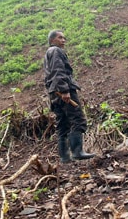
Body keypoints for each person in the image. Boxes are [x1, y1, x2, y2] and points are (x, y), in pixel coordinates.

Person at [44, 30, 95, 163]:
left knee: (62, 123)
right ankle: (78, 152)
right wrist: (65, 90)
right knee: (77, 118)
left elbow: (50, 75)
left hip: (54, 92)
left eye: (64, 38)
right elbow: (58, 70)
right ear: (52, 40)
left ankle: (64, 157)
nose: (63, 40)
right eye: (60, 37)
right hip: (63, 91)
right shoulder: (55, 51)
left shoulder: (48, 53)